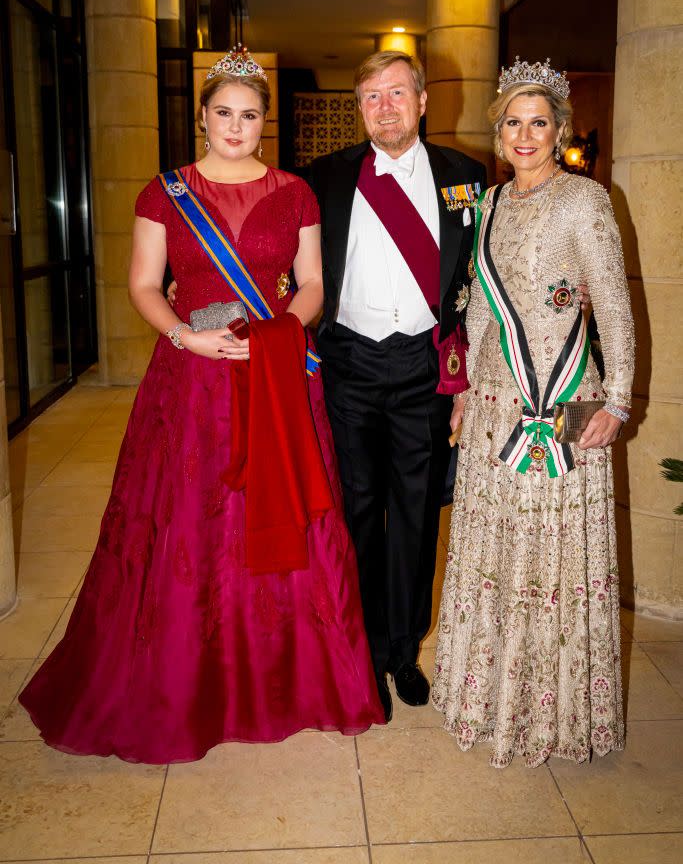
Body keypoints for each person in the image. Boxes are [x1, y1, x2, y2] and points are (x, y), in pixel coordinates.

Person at [19, 47, 384, 763]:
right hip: (190, 379)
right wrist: (186, 337)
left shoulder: (296, 192)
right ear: (202, 118)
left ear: (262, 124)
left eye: (249, 116)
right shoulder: (165, 194)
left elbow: (310, 285)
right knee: (189, 516)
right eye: (224, 113)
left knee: (279, 508)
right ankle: (184, 679)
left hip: (276, 375)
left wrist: (282, 333)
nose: (236, 126)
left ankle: (289, 679)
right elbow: (144, 285)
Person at [432, 57, 635, 767]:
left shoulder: (584, 200)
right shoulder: (487, 205)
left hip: (567, 397)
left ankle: (554, 707)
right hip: (493, 400)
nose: (524, 135)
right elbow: (482, 309)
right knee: (497, 544)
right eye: (512, 122)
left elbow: (611, 303)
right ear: (498, 131)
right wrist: (461, 395)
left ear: (559, 131)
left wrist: (617, 399)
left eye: (538, 122)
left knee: (555, 550)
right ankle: (490, 696)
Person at [306, 50, 487, 721]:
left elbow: (479, 280)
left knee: (413, 515)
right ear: (359, 108)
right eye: (370, 97)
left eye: (396, 93)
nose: (384, 106)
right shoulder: (323, 178)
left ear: (422, 99)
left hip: (422, 369)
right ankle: (362, 647)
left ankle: (403, 651)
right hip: (348, 366)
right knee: (356, 514)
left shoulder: (465, 176)